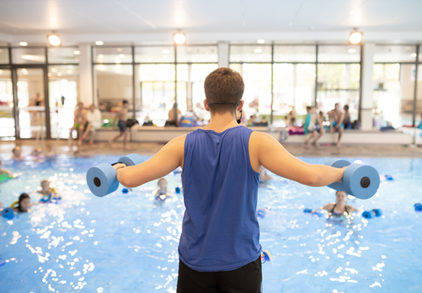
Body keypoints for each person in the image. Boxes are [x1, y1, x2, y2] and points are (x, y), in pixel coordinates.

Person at [112, 67, 345, 292]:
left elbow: (131, 179)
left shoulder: (181, 145)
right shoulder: (258, 143)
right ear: (240, 104)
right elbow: (312, 176)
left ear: (206, 105)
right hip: (241, 262)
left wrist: (120, 168)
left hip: (195, 262)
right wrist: (343, 174)